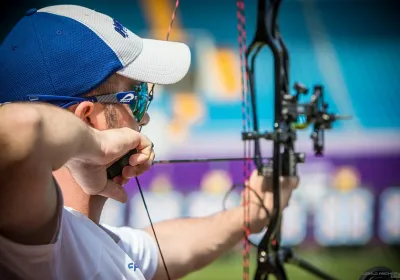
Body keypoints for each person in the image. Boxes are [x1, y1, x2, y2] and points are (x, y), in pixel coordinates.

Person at [0, 5, 299, 280]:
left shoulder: (80, 240)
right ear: (88, 119)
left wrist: (250, 215)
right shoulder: (36, 240)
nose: (145, 120)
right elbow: (20, 130)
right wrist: (96, 147)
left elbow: (165, 247)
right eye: (137, 99)